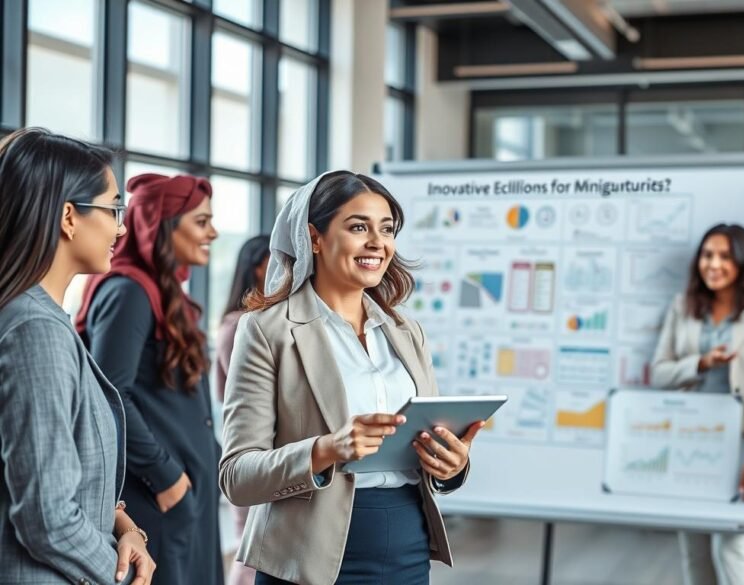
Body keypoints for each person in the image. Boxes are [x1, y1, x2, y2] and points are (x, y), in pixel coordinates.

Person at [219, 170, 484, 585]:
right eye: (359, 227)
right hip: (305, 555)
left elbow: (426, 447)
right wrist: (326, 449)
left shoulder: (405, 330)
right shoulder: (267, 330)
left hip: (406, 545)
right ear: (314, 238)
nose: (377, 243)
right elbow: (237, 476)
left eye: (387, 229)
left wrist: (450, 464)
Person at [0, 127, 156, 584]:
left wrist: (126, 527)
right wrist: (120, 574)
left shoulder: (39, 317)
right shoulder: (35, 330)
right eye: (113, 209)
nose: (122, 227)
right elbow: (47, 518)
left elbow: (54, 471)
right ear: (69, 217)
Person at [76, 173, 223, 585]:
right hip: (155, 497)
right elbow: (109, 395)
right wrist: (167, 478)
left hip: (182, 494)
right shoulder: (129, 293)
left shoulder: (161, 292)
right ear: (161, 226)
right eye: (200, 221)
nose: (213, 231)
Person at [652, 223, 744, 585]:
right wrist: (700, 363)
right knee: (693, 547)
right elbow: (658, 373)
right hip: (685, 440)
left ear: (742, 262)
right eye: (707, 255)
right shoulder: (683, 306)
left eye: (725, 256)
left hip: (735, 444)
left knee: (730, 545)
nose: (714, 264)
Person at [216, 234, 271, 585]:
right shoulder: (241, 326)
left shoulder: (264, 321)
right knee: (252, 553)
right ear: (257, 268)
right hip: (253, 453)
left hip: (265, 455)